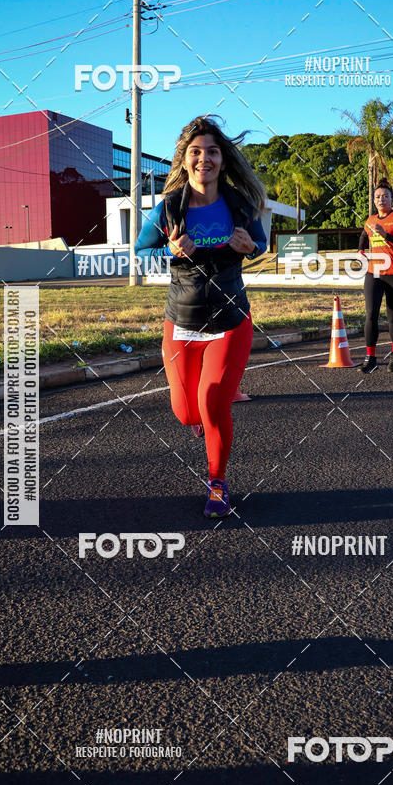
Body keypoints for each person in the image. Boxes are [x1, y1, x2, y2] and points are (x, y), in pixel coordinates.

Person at [134, 116, 267, 518]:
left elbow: (259, 243)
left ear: (222, 159)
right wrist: (168, 253)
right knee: (186, 412)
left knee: (212, 404)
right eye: (196, 152)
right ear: (185, 159)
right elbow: (140, 255)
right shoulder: (169, 207)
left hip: (230, 322)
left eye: (212, 151)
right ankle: (200, 423)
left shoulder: (239, 205)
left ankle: (217, 484)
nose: (204, 159)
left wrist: (251, 247)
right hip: (182, 322)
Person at [357, 179, 393, 374]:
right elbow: (364, 235)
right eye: (378, 197)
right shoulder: (370, 220)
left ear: (391, 199)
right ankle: (370, 358)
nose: (382, 200)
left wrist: (386, 235)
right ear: (374, 200)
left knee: (392, 316)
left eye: (385, 196)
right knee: (371, 315)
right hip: (374, 272)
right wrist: (360, 249)